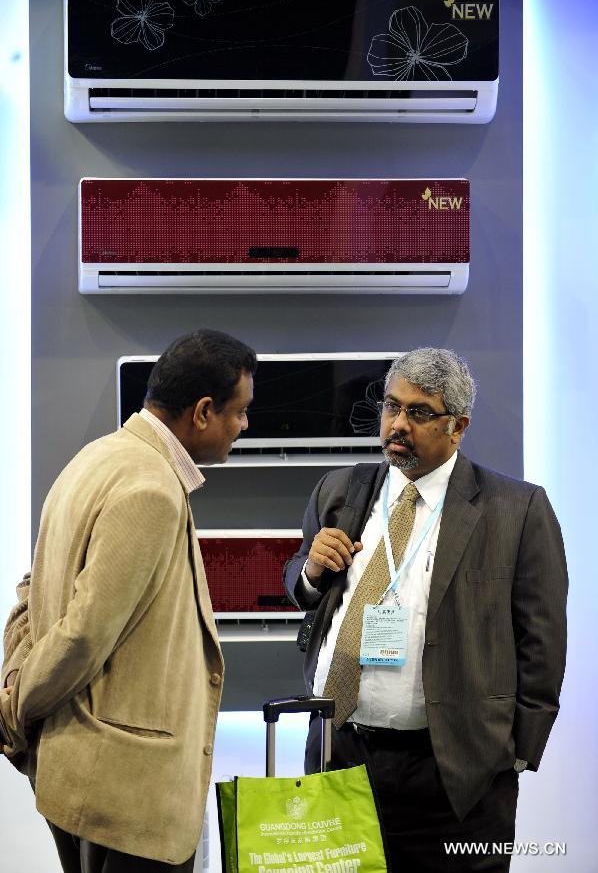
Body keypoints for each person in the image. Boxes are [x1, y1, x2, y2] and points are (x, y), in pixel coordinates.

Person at [284, 347, 567, 873]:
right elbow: (301, 583)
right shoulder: (340, 489)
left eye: (419, 412)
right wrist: (310, 571)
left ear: (457, 427)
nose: (397, 424)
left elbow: (542, 638)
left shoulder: (516, 509)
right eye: (391, 407)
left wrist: (517, 752)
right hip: (340, 752)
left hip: (454, 771)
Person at [0, 329, 257, 872]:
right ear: (204, 411)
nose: (245, 426)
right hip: (125, 788)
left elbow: (31, 590)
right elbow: (84, 634)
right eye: (240, 412)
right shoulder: (151, 489)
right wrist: (19, 705)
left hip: (85, 771)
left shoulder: (96, 457)